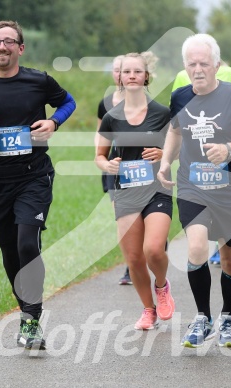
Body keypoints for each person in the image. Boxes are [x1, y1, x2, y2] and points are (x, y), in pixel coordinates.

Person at [0, 20, 76, 350]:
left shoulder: (38, 80)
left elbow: (68, 102)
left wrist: (53, 121)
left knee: (26, 243)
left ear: (20, 48)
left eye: (9, 41)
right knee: (9, 251)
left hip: (34, 175)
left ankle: (32, 319)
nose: (2, 47)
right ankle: (26, 313)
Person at [158, 33, 231, 348]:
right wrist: (165, 161)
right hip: (193, 186)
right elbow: (175, 132)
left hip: (230, 189)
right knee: (195, 249)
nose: (198, 69)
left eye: (204, 63)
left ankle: (228, 316)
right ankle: (203, 318)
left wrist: (230, 148)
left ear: (216, 65)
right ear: (184, 66)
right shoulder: (179, 96)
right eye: (192, 63)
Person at [95, 52, 175, 330]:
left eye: (137, 72)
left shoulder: (162, 113)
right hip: (126, 192)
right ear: (119, 77)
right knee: (134, 258)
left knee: (153, 249)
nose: (131, 76)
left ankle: (162, 287)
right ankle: (148, 310)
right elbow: (99, 157)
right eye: (126, 71)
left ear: (146, 77)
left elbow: (180, 149)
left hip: (157, 190)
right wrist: (110, 165)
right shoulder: (110, 117)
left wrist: (164, 152)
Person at [172, 61, 231, 267]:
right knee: (198, 211)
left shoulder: (229, 73)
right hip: (193, 151)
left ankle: (222, 249)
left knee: (221, 203)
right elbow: (178, 115)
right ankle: (206, 250)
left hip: (223, 150)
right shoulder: (181, 75)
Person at [95, 55, 133, 286]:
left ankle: (156, 250)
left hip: (140, 167)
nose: (120, 74)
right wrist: (99, 158)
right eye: (117, 70)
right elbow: (100, 134)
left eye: (125, 70)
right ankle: (130, 266)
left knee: (143, 219)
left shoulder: (147, 102)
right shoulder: (105, 103)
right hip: (114, 167)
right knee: (123, 218)